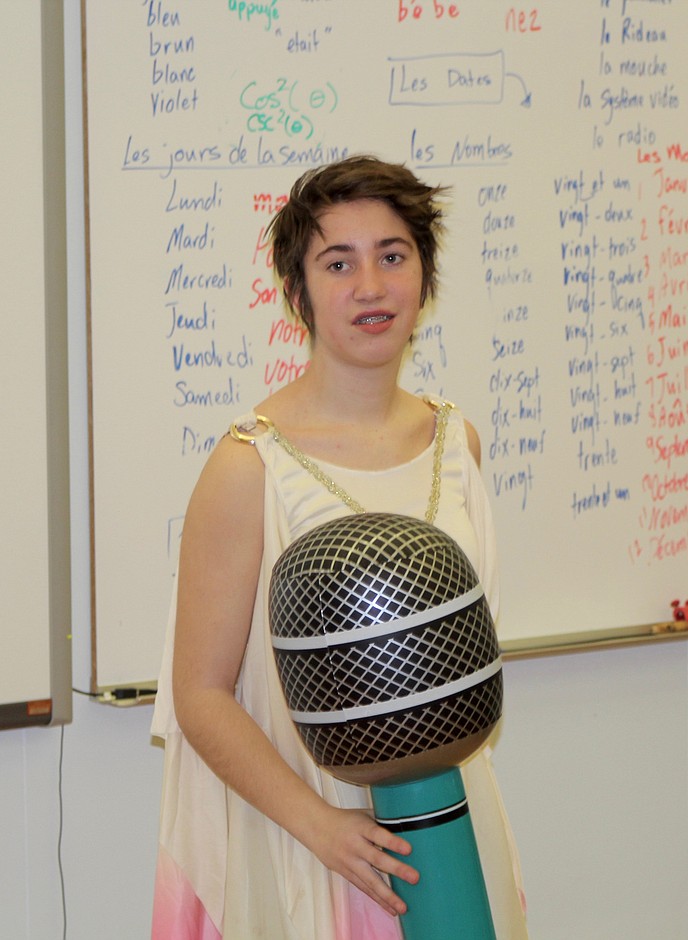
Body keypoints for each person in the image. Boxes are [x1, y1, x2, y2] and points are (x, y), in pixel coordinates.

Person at [150, 155, 528, 939]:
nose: (370, 286)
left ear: (424, 278)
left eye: (393, 256)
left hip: (443, 829)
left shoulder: (461, 444)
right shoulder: (248, 464)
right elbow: (200, 695)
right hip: (304, 842)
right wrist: (322, 826)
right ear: (299, 293)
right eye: (338, 262)